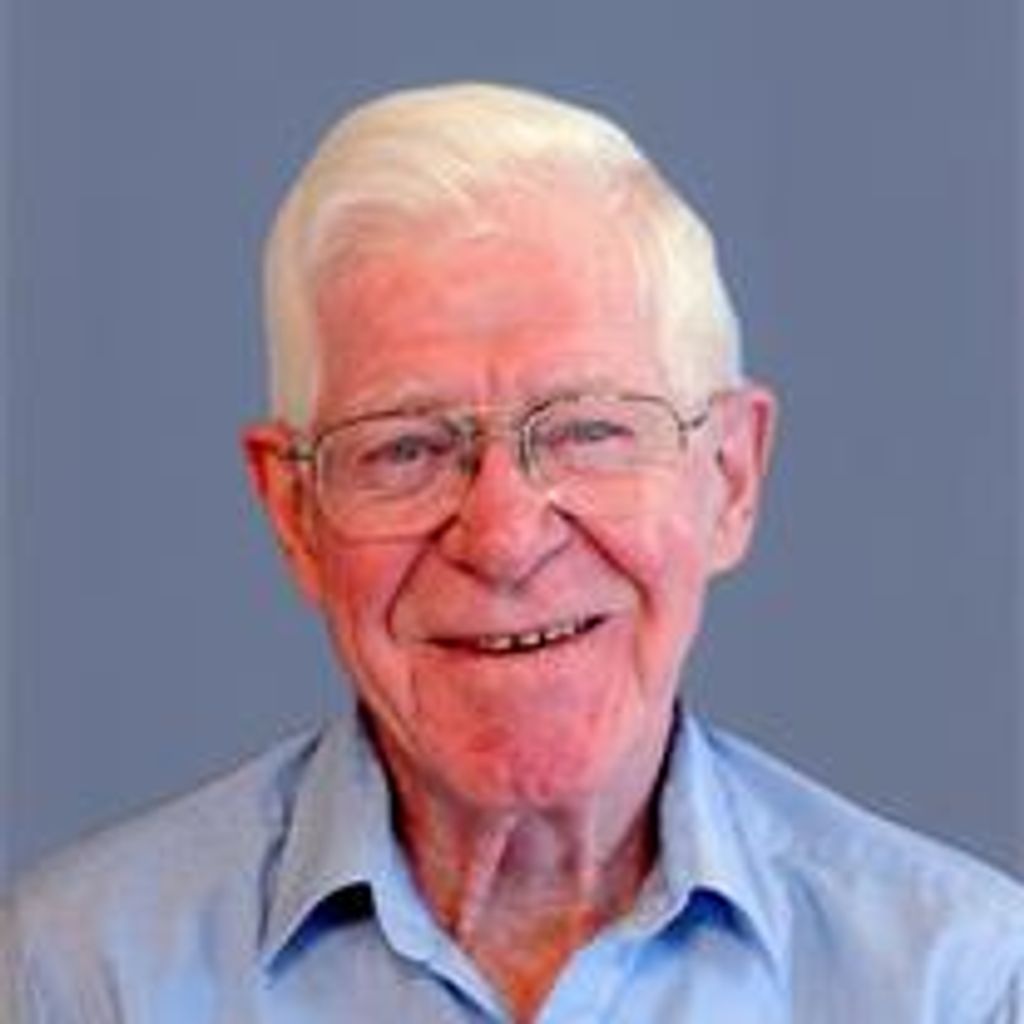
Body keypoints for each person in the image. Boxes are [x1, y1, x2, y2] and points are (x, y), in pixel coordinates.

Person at [2, 82, 1023, 1023]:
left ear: (731, 477)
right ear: (293, 511)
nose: (501, 540)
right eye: (405, 448)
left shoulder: (959, 983)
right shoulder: (78, 980)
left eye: (587, 430)